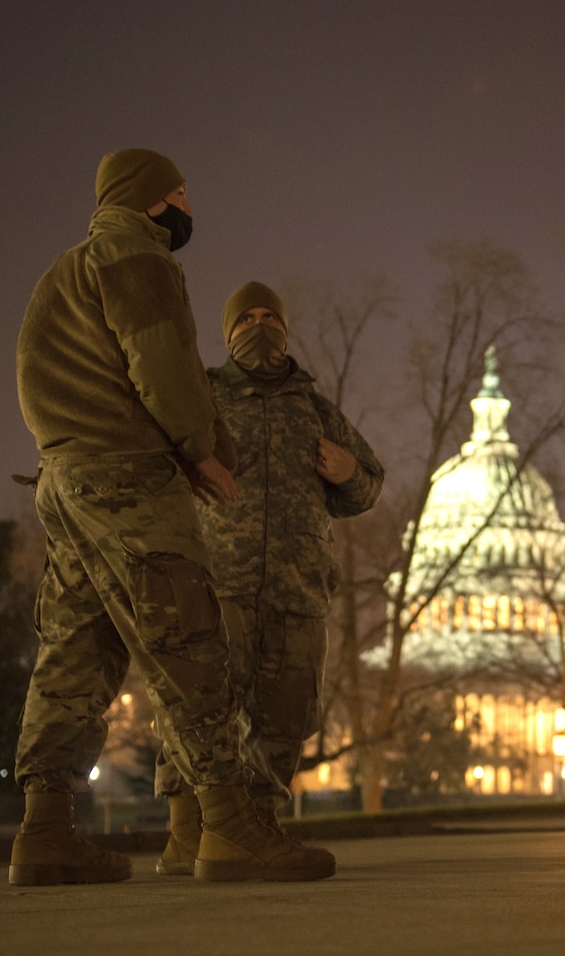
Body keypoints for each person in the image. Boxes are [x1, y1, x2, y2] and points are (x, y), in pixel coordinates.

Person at [11, 149, 326, 885]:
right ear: (152, 199)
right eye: (179, 193)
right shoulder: (137, 259)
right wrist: (202, 448)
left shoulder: (64, 271)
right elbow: (165, 362)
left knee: (74, 654)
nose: (187, 207)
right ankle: (229, 825)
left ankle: (45, 829)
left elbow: (33, 370)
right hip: (127, 477)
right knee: (188, 643)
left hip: (65, 477)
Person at [153, 281, 384, 879]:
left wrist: (349, 470)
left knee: (287, 716)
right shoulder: (201, 398)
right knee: (201, 706)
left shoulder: (313, 406)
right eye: (246, 319)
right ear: (228, 334)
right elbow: (156, 470)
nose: (260, 327)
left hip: (297, 587)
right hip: (218, 582)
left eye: (269, 318)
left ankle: (256, 828)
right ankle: (187, 834)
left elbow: (369, 485)